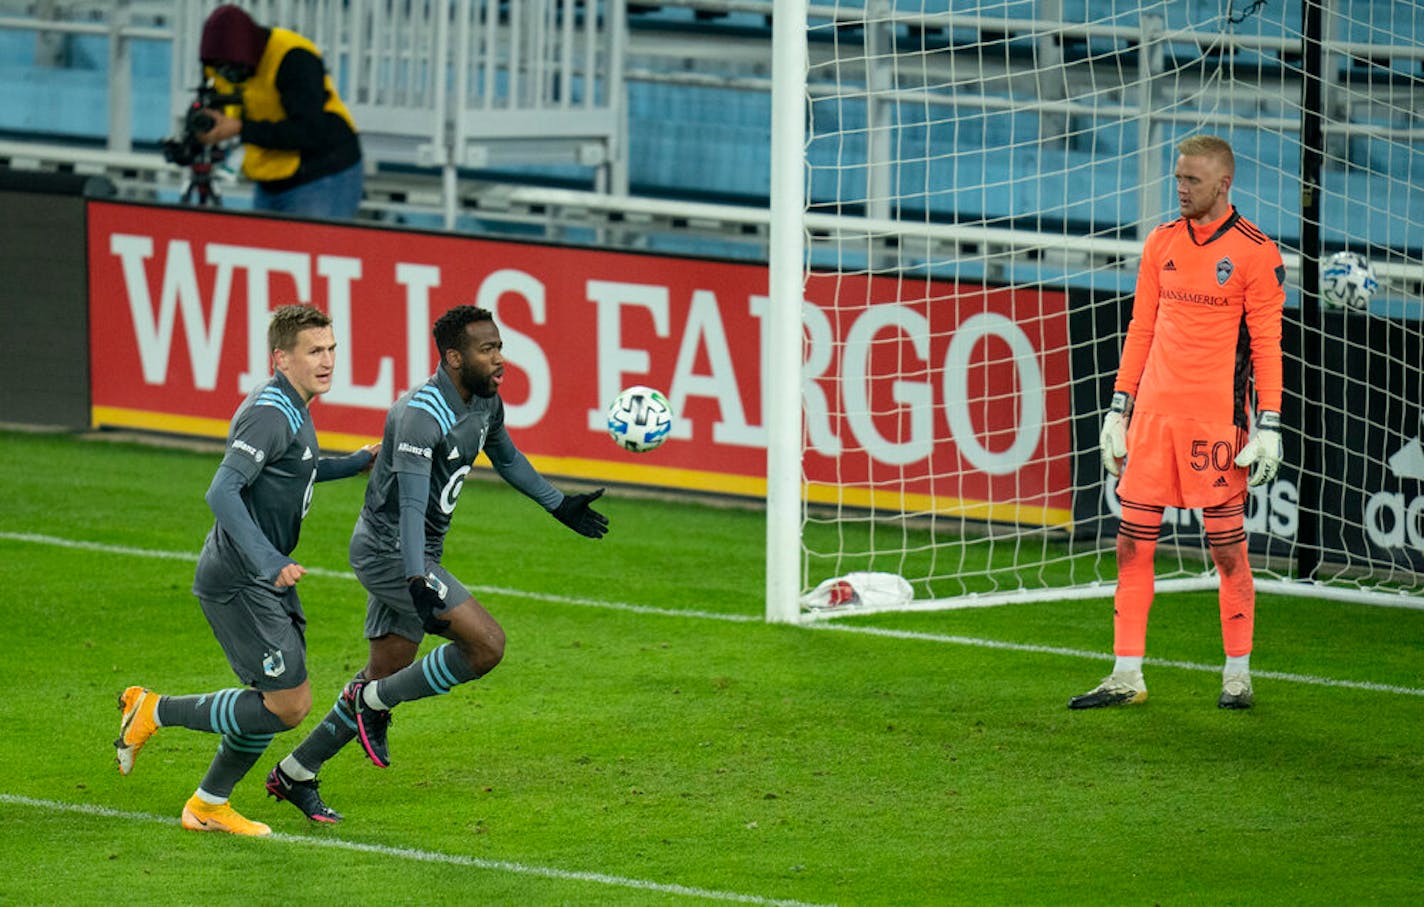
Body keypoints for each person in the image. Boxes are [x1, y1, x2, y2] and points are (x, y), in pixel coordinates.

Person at [264, 304, 609, 822]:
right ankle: (373, 702)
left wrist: (557, 504)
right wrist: (415, 576)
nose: (500, 360)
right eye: (486, 349)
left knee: (387, 672)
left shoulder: (485, 403)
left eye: (499, 348)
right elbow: (408, 503)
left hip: (417, 555)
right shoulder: (420, 415)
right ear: (453, 357)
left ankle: (295, 772)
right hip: (390, 553)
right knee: (487, 645)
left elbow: (508, 458)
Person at [114, 304, 378, 835]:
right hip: (241, 578)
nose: (328, 361)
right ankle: (153, 711)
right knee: (288, 703)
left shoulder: (294, 406)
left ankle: (209, 804)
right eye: (315, 352)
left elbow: (293, 469)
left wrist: (354, 462)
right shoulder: (271, 411)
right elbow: (222, 489)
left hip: (261, 578)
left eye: (331, 349)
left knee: (274, 699)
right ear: (282, 358)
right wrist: (269, 560)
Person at [1070, 134, 1285, 712]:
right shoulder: (1160, 242)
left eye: (1192, 180)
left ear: (1224, 183)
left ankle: (1237, 673)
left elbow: (1267, 344)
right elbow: (1141, 329)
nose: (1181, 188)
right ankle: (1125, 675)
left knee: (1227, 552)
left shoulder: (1255, 252)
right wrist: (1119, 409)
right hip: (1153, 424)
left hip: (1215, 426)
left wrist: (1269, 424)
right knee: (1131, 546)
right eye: (1178, 178)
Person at [194, 4, 363, 219]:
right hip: (270, 176)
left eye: (235, 69)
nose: (230, 76)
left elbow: (309, 131)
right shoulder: (218, 63)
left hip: (323, 171)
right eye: (221, 68)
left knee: (313, 250)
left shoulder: (293, 58)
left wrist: (241, 129)